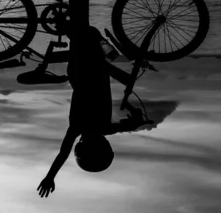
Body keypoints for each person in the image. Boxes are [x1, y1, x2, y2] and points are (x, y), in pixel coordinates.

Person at [18, 22, 149, 197]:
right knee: (80, 30)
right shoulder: (77, 128)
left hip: (94, 65)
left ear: (105, 146)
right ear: (81, 148)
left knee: (89, 34)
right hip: (78, 69)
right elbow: (63, 153)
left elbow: (130, 125)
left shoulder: (104, 128)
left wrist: (137, 119)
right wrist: (50, 177)